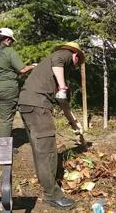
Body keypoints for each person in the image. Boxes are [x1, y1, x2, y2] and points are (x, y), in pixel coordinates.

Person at [17, 42, 85, 210]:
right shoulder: (64, 55)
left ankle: (46, 183)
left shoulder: (54, 71)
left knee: (39, 149)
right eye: (78, 61)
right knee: (47, 150)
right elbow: (58, 59)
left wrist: (74, 122)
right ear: (75, 55)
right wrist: (62, 86)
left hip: (27, 103)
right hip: (38, 105)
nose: (76, 65)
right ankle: (52, 195)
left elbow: (62, 100)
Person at [0, 28, 35, 137]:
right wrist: (34, 66)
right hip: (7, 90)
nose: (12, 43)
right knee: (6, 120)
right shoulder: (9, 51)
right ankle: (3, 149)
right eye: (12, 41)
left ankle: (4, 141)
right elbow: (22, 70)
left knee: (4, 114)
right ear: (7, 40)